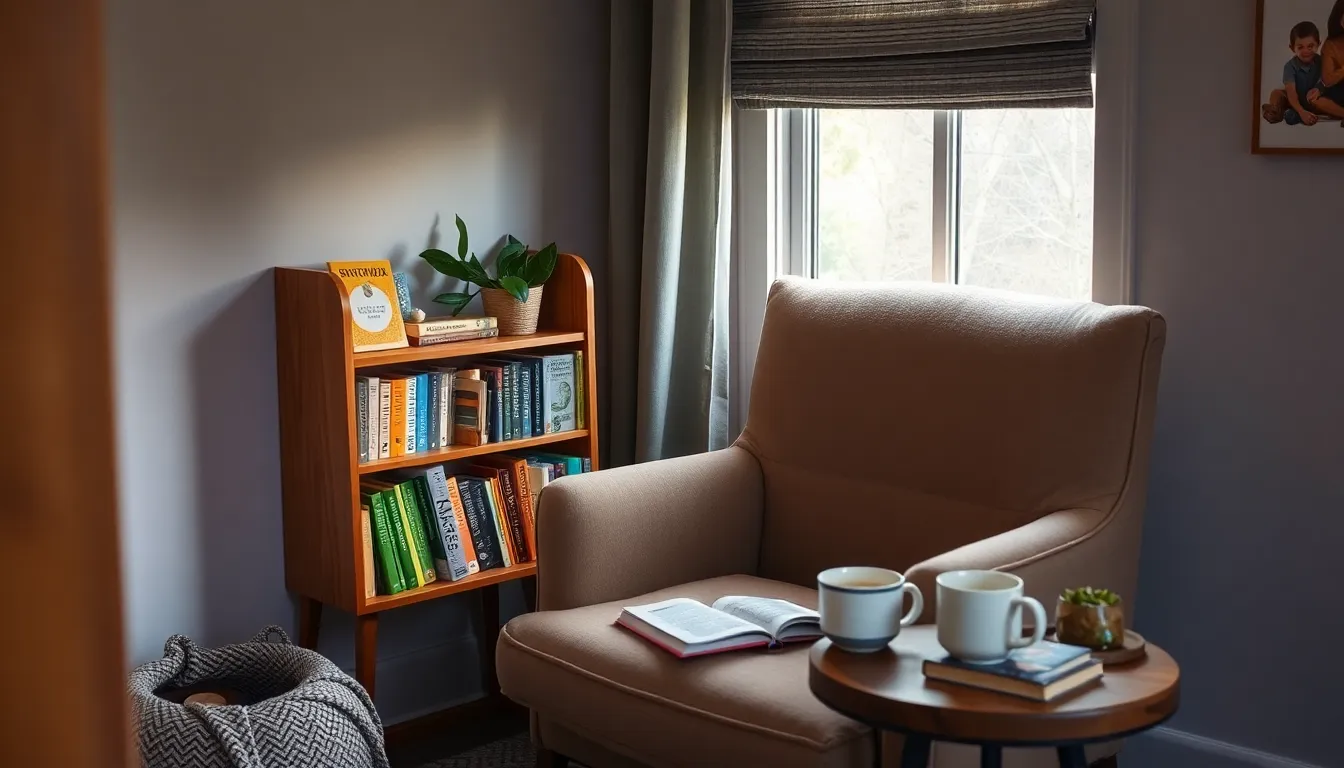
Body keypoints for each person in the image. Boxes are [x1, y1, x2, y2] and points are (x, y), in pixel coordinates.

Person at [1263, 21, 1323, 125]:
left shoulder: (1322, 62)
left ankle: (1294, 115)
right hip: (1295, 101)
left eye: (1310, 46)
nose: (1306, 51)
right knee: (1277, 93)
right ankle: (1275, 112)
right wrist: (1301, 111)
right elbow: (1291, 93)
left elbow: (1327, 82)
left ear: (1318, 44)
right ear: (1292, 48)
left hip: (1314, 100)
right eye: (1300, 47)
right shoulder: (1290, 66)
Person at [1305, 0, 1344, 125]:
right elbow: (1328, 79)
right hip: (1339, 90)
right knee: (1314, 99)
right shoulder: (1331, 44)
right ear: (1340, 18)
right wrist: (1320, 89)